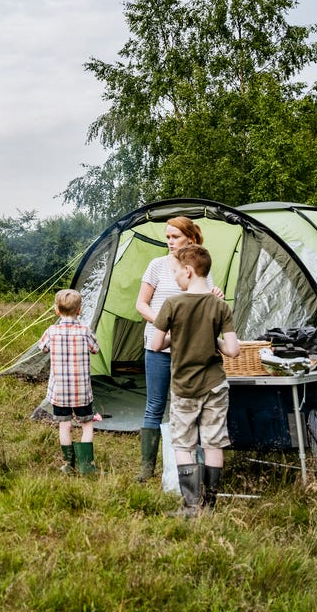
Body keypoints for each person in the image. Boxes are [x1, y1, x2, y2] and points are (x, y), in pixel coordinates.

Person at [149, 244, 240, 515]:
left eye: (176, 272)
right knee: (213, 442)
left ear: (188, 271)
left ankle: (190, 506)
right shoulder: (219, 305)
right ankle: (210, 505)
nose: (175, 277)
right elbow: (233, 350)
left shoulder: (172, 304)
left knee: (184, 444)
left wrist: (175, 336)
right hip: (215, 384)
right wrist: (211, 339)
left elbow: (155, 345)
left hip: (184, 387)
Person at [134, 216, 222, 483]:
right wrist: (164, 325)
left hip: (189, 351)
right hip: (158, 345)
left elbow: (204, 307)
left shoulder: (198, 267)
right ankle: (147, 467)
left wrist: (214, 296)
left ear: (190, 239)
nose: (169, 241)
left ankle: (188, 467)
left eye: (175, 237)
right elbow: (141, 304)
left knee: (189, 406)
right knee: (155, 404)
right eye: (168, 237)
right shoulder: (157, 265)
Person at [36, 288, 103, 475]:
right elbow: (95, 349)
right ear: (79, 310)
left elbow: (42, 348)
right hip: (82, 391)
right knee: (87, 424)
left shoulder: (52, 331)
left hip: (60, 393)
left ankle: (68, 464)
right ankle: (87, 465)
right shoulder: (85, 331)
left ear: (57, 310)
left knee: (64, 426)